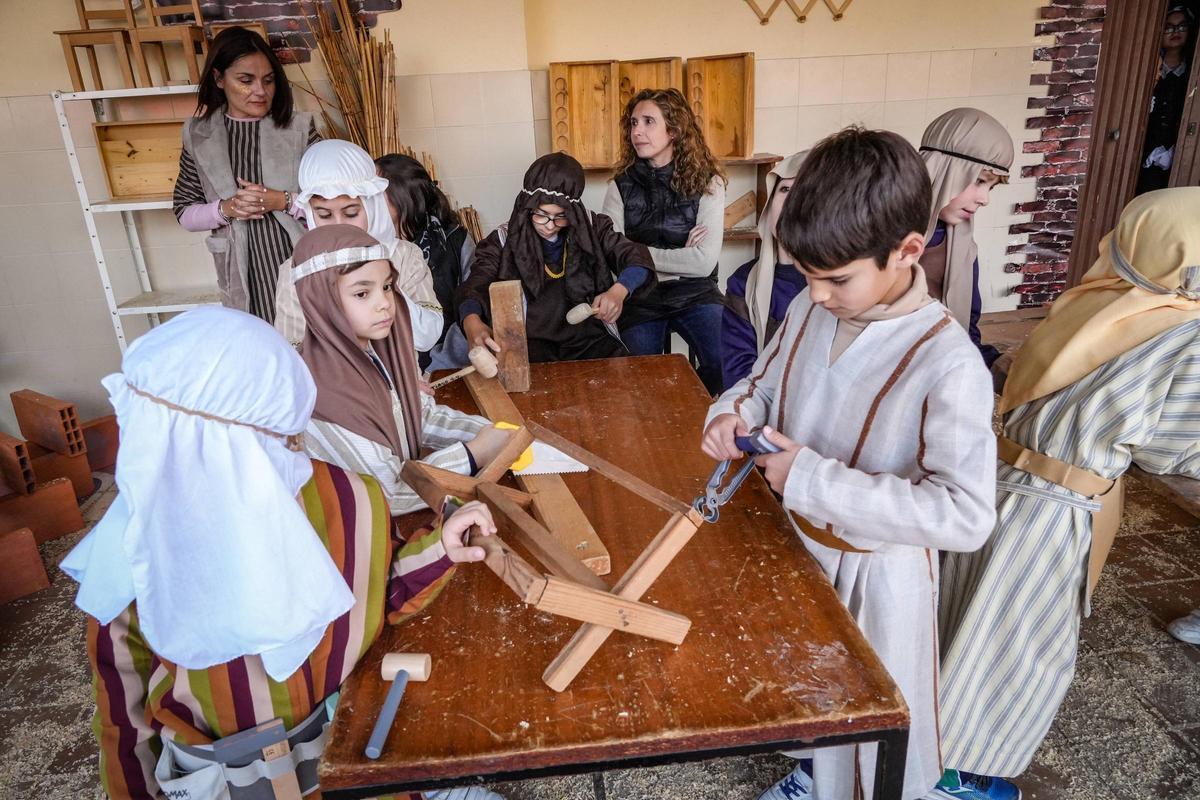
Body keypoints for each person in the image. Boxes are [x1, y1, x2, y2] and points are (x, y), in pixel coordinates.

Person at [60, 305, 502, 800]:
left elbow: (374, 587)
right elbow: (124, 709)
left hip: (345, 759)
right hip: (222, 782)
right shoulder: (138, 544)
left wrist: (440, 546)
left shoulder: (344, 498)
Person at [701, 128, 996, 800]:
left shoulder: (947, 361)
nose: (818, 293)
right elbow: (764, 382)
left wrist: (811, 479)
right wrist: (732, 416)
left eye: (835, 278)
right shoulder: (811, 306)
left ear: (908, 250)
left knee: (869, 744)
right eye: (806, 274)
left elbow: (966, 514)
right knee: (811, 706)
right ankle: (812, 776)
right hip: (801, 552)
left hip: (877, 579)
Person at [934, 188, 1200, 800]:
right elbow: (1173, 450)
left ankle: (931, 748)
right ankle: (956, 780)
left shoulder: (1089, 301)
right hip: (1054, 511)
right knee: (1017, 644)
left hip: (995, 477)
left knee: (961, 615)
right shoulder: (1178, 331)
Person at [292, 224, 514, 516]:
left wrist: (490, 433)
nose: (384, 303)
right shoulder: (321, 392)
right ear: (322, 302)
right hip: (364, 547)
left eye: (386, 287)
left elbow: (420, 416)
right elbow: (388, 495)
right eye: (362, 294)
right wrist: (472, 455)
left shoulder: (373, 354)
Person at [173, 26, 320, 323]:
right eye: (245, 80)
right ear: (218, 78)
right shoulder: (199, 135)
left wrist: (284, 200)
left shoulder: (299, 129)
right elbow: (184, 212)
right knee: (260, 348)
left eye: (268, 81)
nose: (260, 91)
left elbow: (336, 203)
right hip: (241, 272)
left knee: (311, 345)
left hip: (300, 261)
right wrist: (227, 209)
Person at [458, 153, 656, 363]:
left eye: (561, 216)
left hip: (588, 341)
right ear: (527, 206)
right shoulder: (503, 239)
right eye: (541, 214)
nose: (550, 225)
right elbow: (476, 283)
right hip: (530, 344)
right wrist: (472, 321)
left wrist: (619, 291)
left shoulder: (592, 227)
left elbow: (635, 256)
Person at [602, 88, 727, 393]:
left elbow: (703, 262)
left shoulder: (708, 182)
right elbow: (612, 255)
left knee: (726, 358)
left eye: (648, 122)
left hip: (695, 292)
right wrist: (680, 254)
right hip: (641, 296)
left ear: (674, 130)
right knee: (636, 375)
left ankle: (696, 410)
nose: (637, 131)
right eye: (633, 123)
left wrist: (637, 253)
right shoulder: (620, 186)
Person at [271, 139, 443, 352]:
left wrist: (381, 281)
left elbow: (427, 337)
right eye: (324, 215)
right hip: (333, 385)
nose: (339, 225)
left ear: (372, 206)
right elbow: (291, 350)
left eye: (351, 213)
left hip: (402, 384)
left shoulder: (403, 255)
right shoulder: (297, 271)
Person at [919, 107, 1015, 368]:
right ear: (943, 168)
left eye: (991, 187)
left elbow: (965, 332)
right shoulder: (874, 234)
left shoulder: (963, 246)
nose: (984, 199)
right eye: (980, 181)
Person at [377, 153, 477, 372]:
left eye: (377, 194)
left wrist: (438, 364)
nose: (368, 200)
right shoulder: (373, 248)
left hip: (449, 364)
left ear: (404, 198)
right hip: (395, 369)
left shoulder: (454, 240)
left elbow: (472, 302)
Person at [721, 150, 808, 387]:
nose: (792, 202)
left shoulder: (843, 285)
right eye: (785, 190)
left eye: (805, 192)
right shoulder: (743, 283)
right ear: (769, 207)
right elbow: (738, 373)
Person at [1137, 5, 1195, 194]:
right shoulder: (1151, 66)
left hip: (1175, 147)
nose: (1175, 32)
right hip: (1144, 144)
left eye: (1181, 27)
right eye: (1169, 28)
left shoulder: (1191, 70)